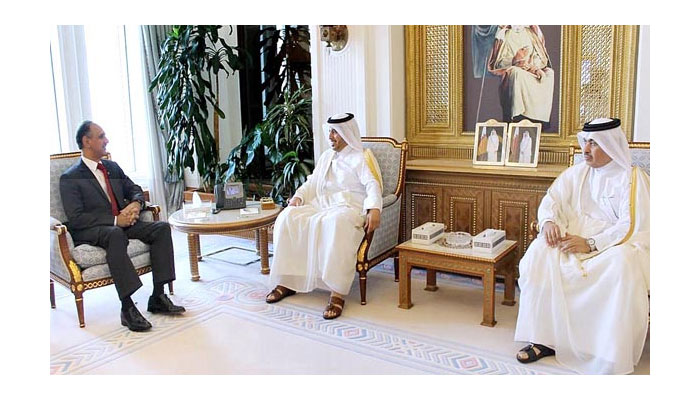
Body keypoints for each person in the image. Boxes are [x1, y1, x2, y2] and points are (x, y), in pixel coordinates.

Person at [513, 118, 650, 374]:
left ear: (610, 145)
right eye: (585, 142)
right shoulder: (577, 173)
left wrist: (591, 243)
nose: (585, 149)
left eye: (593, 144)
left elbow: (632, 225)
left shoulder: (632, 178)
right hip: (574, 234)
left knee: (621, 264)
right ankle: (543, 339)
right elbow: (552, 200)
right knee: (539, 253)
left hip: (614, 242)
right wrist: (548, 222)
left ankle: (604, 348)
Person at [60, 121, 185, 332]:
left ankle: (158, 296)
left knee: (162, 228)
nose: (106, 140)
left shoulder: (112, 167)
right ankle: (127, 308)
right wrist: (116, 220)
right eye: (101, 136)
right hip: (93, 230)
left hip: (122, 224)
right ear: (86, 141)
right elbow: (77, 218)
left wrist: (136, 203)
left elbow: (134, 188)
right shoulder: (71, 177)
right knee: (116, 234)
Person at [265, 113, 382, 319]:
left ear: (347, 133)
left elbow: (372, 184)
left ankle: (337, 293)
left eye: (335, 132)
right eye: (330, 131)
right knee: (288, 217)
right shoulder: (326, 156)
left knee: (335, 223)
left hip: (348, 207)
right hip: (322, 203)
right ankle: (288, 281)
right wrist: (298, 197)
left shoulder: (361, 157)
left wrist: (374, 208)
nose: (330, 136)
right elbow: (312, 182)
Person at [487, 25, 554, 125]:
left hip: (531, 70)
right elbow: (500, 62)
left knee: (549, 74)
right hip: (515, 69)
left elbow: (539, 57)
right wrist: (515, 60)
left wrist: (533, 67)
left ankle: (540, 117)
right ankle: (518, 115)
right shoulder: (506, 35)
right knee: (516, 72)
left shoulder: (530, 34)